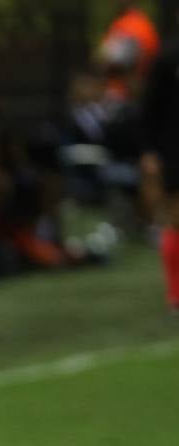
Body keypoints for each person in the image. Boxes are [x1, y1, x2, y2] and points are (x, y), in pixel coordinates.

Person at [141, 19, 179, 317]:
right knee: (175, 220)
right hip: (174, 151)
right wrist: (149, 151)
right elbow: (150, 108)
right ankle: (175, 294)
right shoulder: (168, 57)